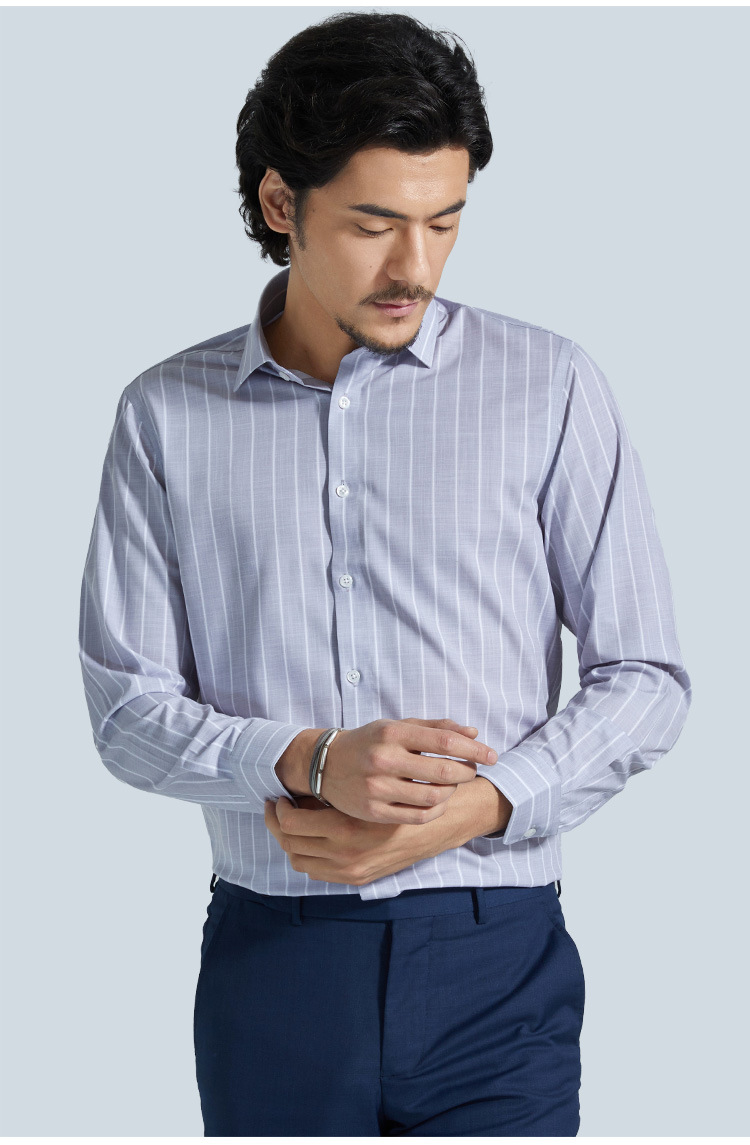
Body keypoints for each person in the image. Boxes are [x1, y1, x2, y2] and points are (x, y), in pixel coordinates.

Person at [78, 10, 692, 1137]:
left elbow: (646, 676)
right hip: (274, 963)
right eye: (373, 224)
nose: (415, 265)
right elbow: (124, 712)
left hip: (497, 963)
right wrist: (308, 758)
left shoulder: (549, 386)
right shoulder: (164, 415)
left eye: (444, 221)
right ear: (281, 204)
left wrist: (477, 807)